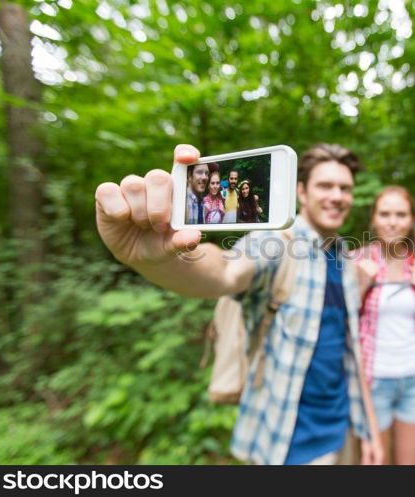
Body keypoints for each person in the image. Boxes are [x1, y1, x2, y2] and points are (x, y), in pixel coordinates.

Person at [94, 143, 382, 465]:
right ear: (301, 192)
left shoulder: (344, 255)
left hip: (343, 431)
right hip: (287, 440)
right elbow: (225, 271)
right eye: (325, 186)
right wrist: (156, 260)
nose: (337, 196)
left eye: (345, 188)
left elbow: (350, 352)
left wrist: (367, 430)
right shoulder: (276, 241)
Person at [352, 186, 415, 465]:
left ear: (412, 220)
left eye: (401, 214)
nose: (393, 221)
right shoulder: (356, 260)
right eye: (385, 214)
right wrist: (361, 286)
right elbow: (342, 326)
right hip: (372, 381)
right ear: (374, 219)